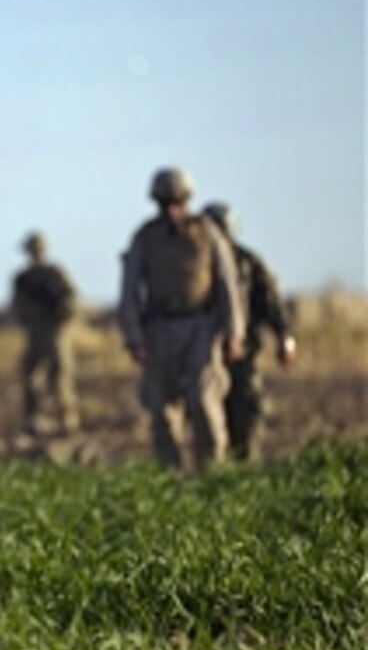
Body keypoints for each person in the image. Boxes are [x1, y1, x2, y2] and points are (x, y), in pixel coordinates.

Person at [119, 168, 245, 473]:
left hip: (201, 327)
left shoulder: (207, 234)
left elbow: (227, 283)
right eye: (165, 202)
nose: (171, 209)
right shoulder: (145, 238)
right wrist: (134, 337)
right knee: (162, 409)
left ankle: (212, 470)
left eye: (177, 201)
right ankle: (170, 474)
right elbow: (130, 289)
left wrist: (233, 333)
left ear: (187, 200)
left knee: (204, 400)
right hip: (159, 329)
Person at [202, 202, 296, 461]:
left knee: (247, 405)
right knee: (208, 408)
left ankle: (246, 461)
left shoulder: (248, 263)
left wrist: (284, 338)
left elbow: (271, 302)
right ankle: (215, 465)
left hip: (244, 349)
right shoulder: (195, 264)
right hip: (205, 349)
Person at [10, 232, 80, 436]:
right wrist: (27, 316)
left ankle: (67, 420)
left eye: (37, 250)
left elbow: (71, 299)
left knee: (60, 375)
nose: (34, 254)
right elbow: (17, 306)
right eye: (32, 251)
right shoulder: (23, 278)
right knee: (30, 376)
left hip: (55, 330)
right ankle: (33, 418)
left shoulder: (54, 274)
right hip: (35, 331)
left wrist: (62, 311)